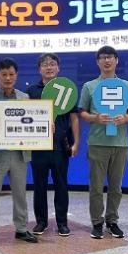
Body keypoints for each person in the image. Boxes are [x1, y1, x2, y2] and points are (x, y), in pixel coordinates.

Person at [78, 46, 128, 240]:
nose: (107, 61)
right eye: (103, 58)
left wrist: (126, 118)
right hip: (97, 143)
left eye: (110, 57)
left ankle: (112, 221)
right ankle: (97, 222)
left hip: (120, 144)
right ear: (97, 62)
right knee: (96, 187)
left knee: (116, 187)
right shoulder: (89, 86)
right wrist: (95, 118)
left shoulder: (127, 86)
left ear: (116, 60)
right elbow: (82, 112)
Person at [0, 58, 38, 247]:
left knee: (20, 193)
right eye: (4, 74)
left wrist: (46, 127)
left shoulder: (25, 98)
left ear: (16, 75)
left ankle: (21, 228)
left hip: (19, 153)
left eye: (11, 74)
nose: (8, 78)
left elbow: (32, 122)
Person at [26, 53, 79, 237]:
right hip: (38, 147)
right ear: (39, 69)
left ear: (58, 68)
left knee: (61, 185)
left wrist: (76, 143)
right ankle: (41, 222)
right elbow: (26, 117)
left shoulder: (67, 89)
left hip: (60, 147)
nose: (49, 67)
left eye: (52, 64)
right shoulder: (32, 91)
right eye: (45, 64)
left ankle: (62, 223)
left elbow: (74, 118)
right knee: (39, 186)